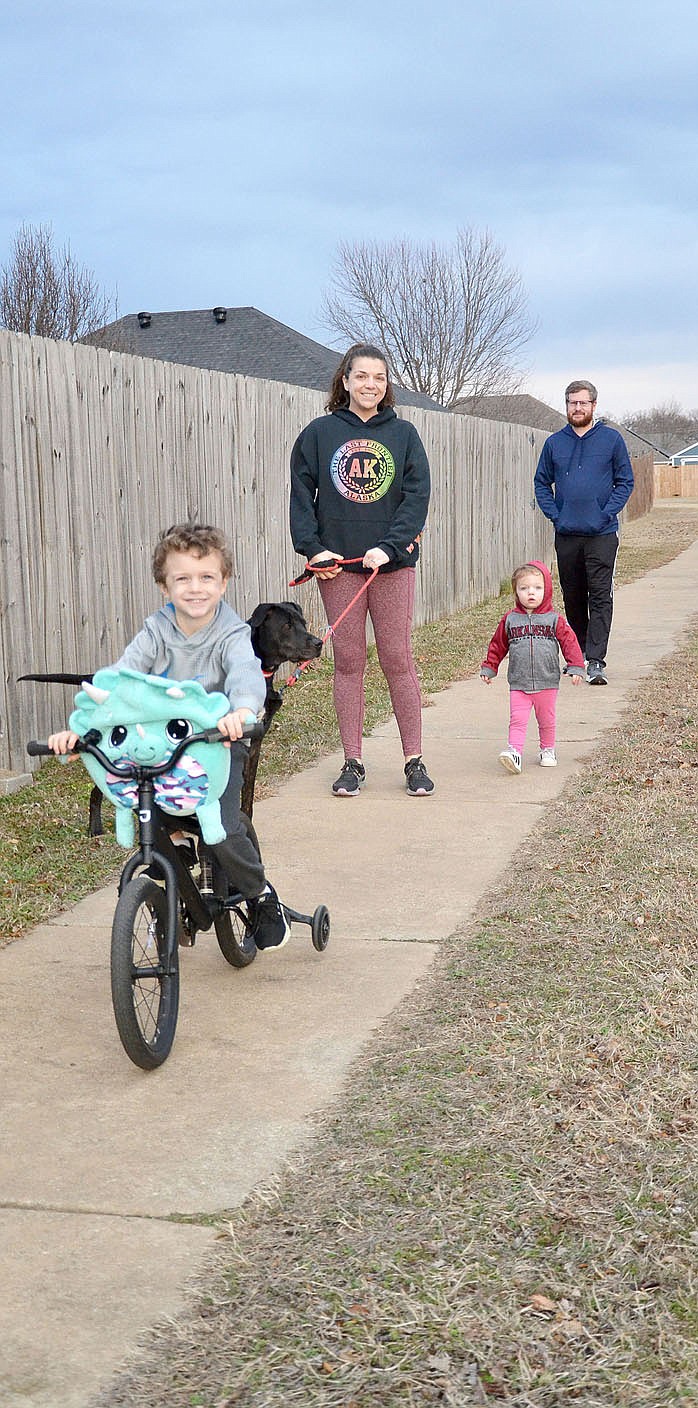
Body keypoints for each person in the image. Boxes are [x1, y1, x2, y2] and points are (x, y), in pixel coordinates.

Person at [47, 522, 290, 951]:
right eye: (182, 579)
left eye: (206, 578)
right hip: (160, 745)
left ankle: (259, 895)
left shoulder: (231, 635)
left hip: (217, 744)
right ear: (165, 585)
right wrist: (80, 729)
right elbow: (121, 682)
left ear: (223, 582)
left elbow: (246, 676)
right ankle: (176, 851)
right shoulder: (156, 632)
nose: (195, 589)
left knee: (225, 831)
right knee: (145, 809)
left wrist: (242, 712)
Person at [290, 342, 433, 797]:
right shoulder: (319, 434)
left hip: (391, 568)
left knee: (397, 659)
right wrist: (313, 550)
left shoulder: (405, 435)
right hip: (340, 570)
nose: (371, 384)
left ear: (386, 385)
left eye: (379, 377)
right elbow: (300, 496)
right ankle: (353, 761)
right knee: (348, 663)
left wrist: (390, 547)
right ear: (345, 380)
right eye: (362, 376)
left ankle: (414, 760)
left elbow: (417, 496)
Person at [533, 379, 634, 685]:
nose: (577, 408)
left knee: (600, 595)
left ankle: (596, 660)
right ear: (566, 406)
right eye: (572, 403)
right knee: (574, 595)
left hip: (602, 534)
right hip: (567, 534)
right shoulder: (554, 444)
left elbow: (625, 481)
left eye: (582, 403)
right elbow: (541, 483)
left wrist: (606, 512)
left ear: (593, 406)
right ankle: (577, 655)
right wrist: (556, 516)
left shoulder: (611, 440)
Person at [480, 560, 585, 773]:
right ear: (516, 592)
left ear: (546, 590)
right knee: (517, 720)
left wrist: (576, 666)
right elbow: (498, 644)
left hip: (547, 681)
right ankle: (514, 752)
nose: (531, 593)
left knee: (546, 720)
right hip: (519, 683)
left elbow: (570, 642)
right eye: (524, 588)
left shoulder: (554, 619)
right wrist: (490, 667)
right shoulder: (510, 619)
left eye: (537, 588)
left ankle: (548, 750)